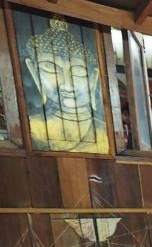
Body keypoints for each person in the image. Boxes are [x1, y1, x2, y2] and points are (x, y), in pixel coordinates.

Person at [22, 17, 109, 153]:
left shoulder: (104, 131)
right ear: (34, 71)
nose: (67, 85)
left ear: (93, 78)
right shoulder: (32, 127)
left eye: (78, 70)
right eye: (51, 67)